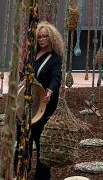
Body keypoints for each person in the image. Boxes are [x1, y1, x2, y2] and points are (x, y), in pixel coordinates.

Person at [30, 21, 64, 180]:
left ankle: (42, 176)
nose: (42, 39)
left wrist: (50, 91)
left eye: (45, 36)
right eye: (39, 37)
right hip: (28, 103)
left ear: (51, 38)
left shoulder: (55, 58)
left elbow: (56, 78)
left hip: (43, 104)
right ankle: (23, 168)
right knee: (24, 137)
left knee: (41, 139)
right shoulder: (31, 55)